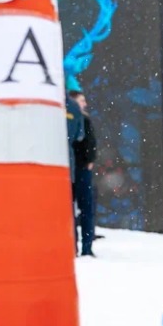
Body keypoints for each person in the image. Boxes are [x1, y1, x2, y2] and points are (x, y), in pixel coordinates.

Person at [69, 89, 97, 257]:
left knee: (86, 209)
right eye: (81, 101)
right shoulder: (69, 120)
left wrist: (90, 160)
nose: (84, 104)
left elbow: (91, 143)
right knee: (72, 210)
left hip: (82, 169)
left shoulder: (85, 120)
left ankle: (86, 247)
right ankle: (74, 246)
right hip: (74, 170)